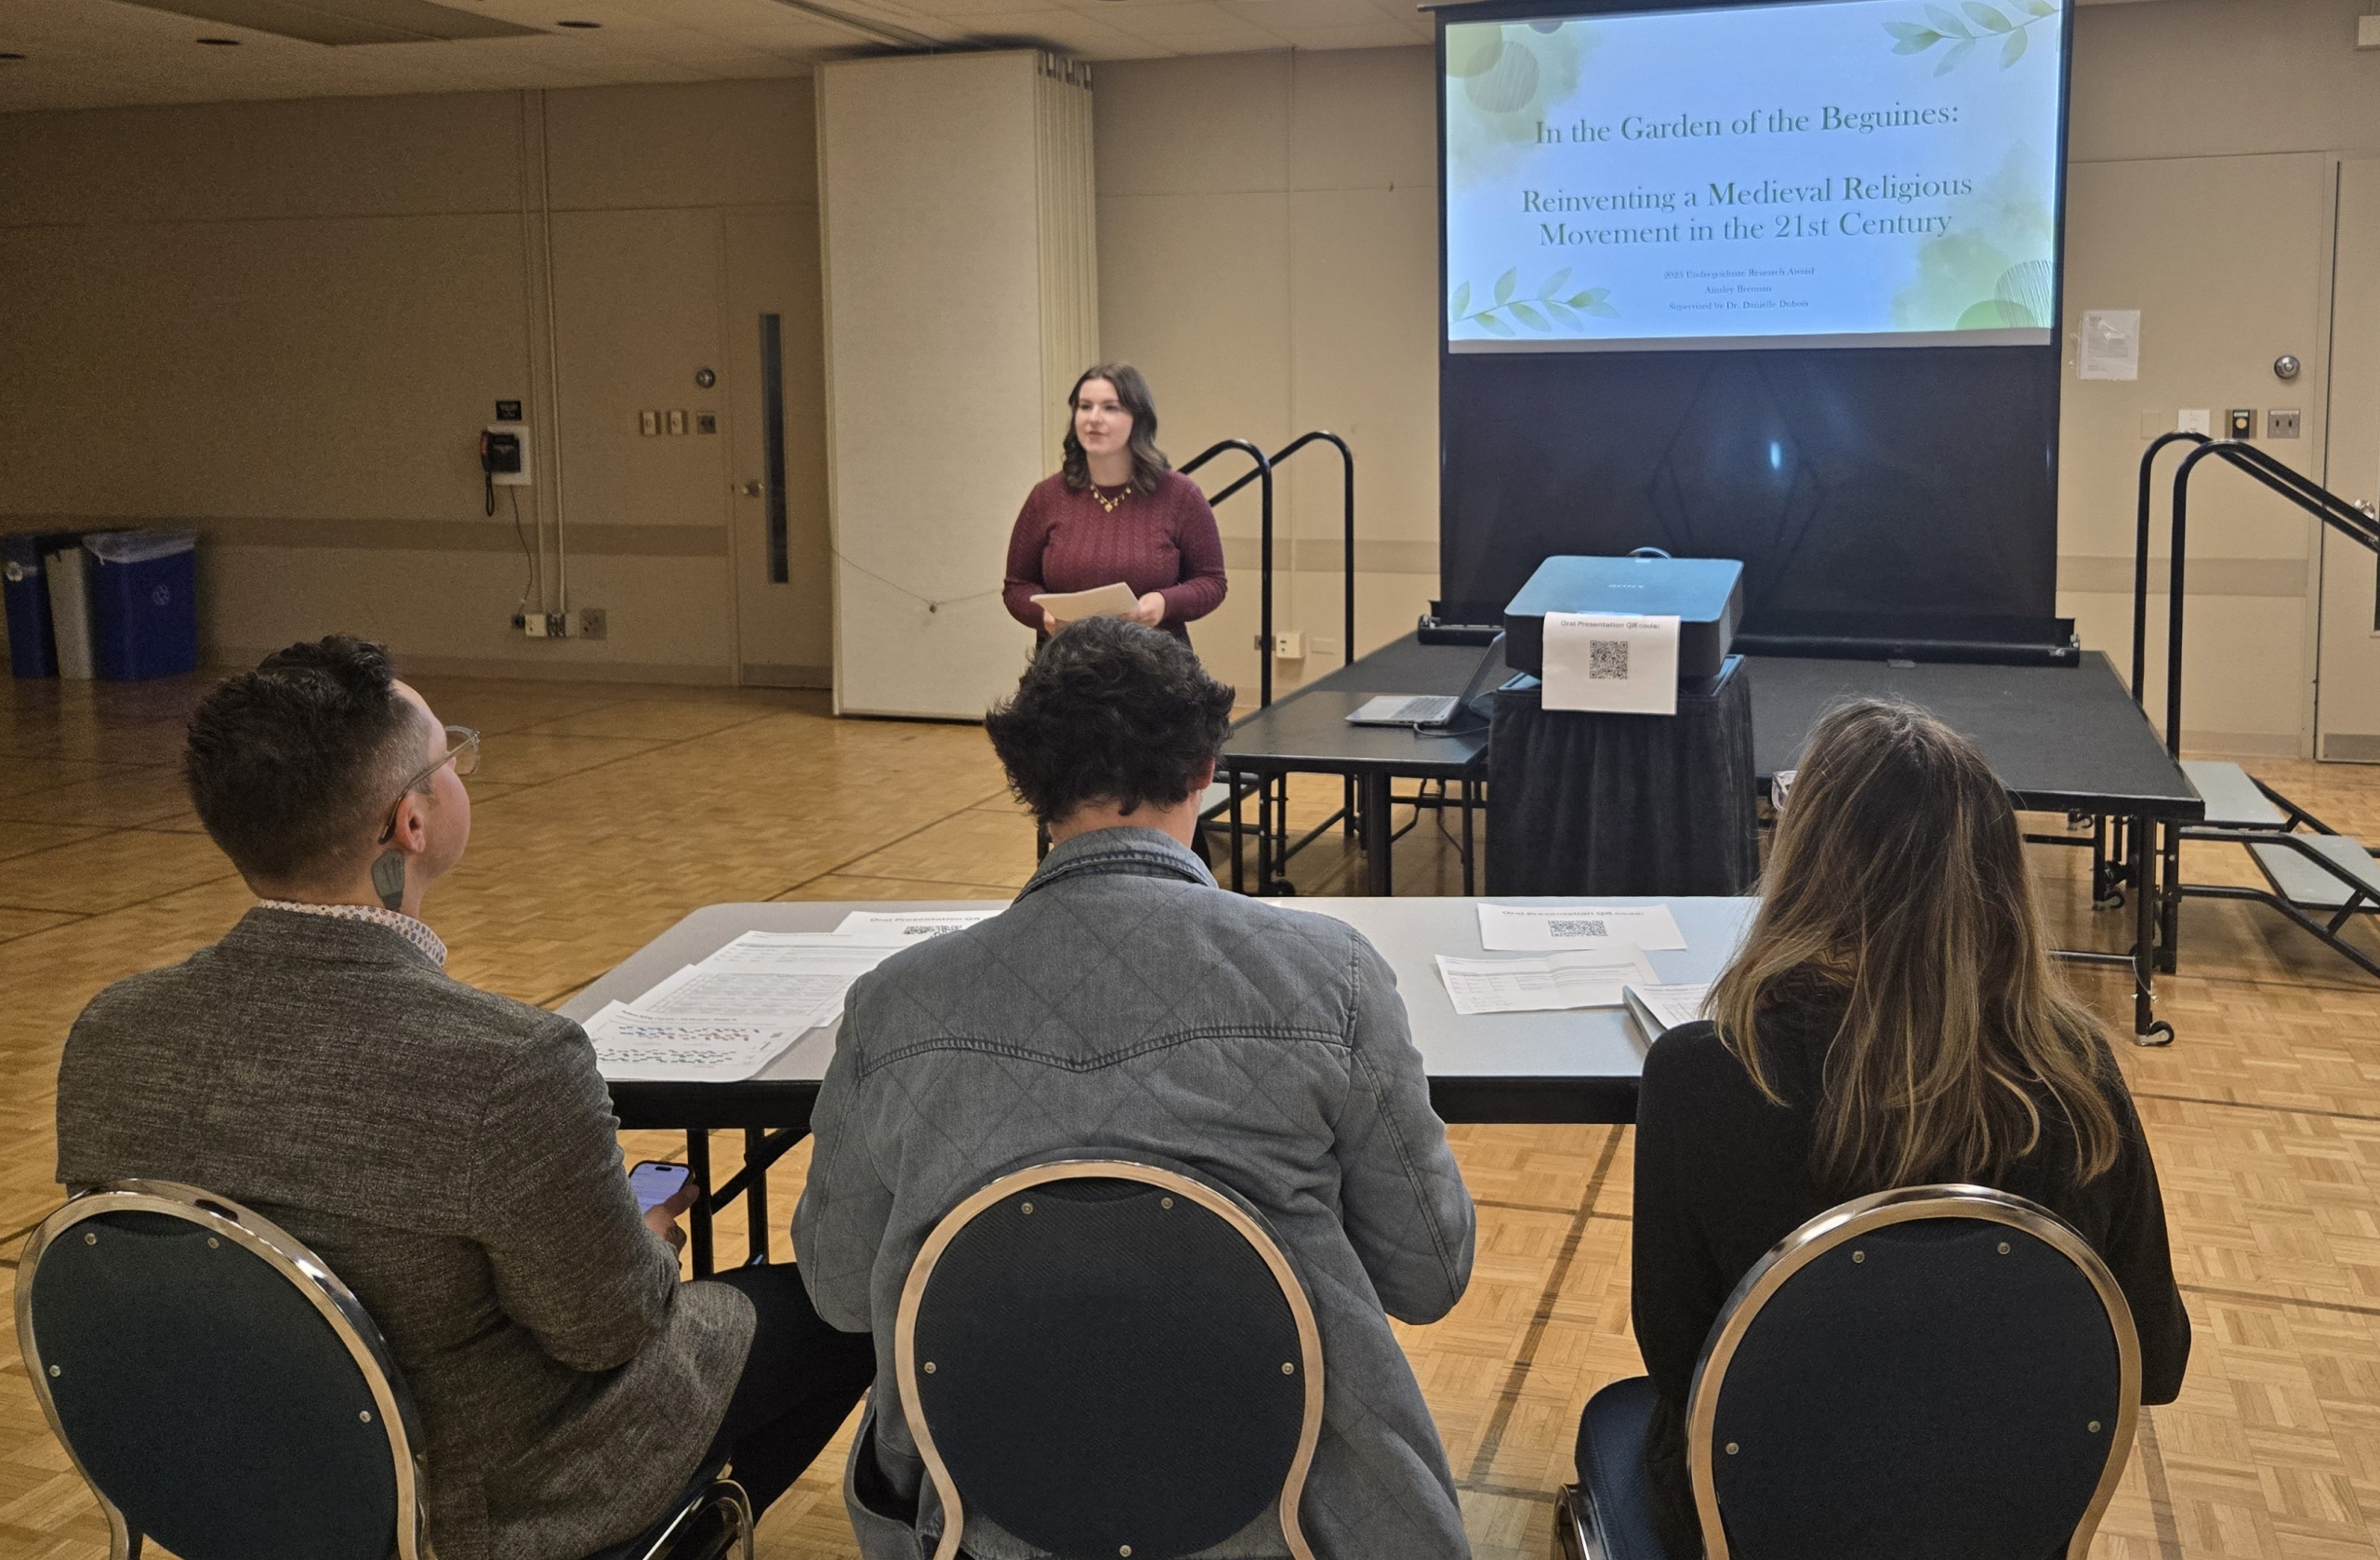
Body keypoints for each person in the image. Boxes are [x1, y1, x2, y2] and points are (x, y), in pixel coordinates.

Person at [52, 636, 874, 1560]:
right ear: (411, 822)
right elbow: (609, 1334)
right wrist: (645, 1239)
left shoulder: (111, 1033)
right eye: (452, 757)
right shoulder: (511, 1065)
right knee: (847, 1296)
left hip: (224, 1473)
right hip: (472, 1500)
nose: (459, 775)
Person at [796, 617, 1476, 1560]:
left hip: (988, 1519)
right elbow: (1427, 1276)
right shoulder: (1333, 978)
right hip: (1300, 1519)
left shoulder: (893, 1007)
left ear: (1028, 784)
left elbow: (835, 1292)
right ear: (1205, 768)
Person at [1618, 699, 2191, 1556]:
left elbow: (1680, 1357)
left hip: (1751, 1517)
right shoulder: (2078, 1079)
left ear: (1804, 864)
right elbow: (2157, 1354)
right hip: (2002, 1523)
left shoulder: (1703, 1074)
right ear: (1997, 879)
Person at [1002, 363, 1227, 645]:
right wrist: (1045, 616)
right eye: (1085, 407)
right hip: (1066, 667)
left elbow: (1212, 582)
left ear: (1138, 419)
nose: (1093, 419)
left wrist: (1163, 602)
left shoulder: (1180, 494)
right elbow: (1017, 587)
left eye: (1111, 408)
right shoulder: (1046, 496)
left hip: (1157, 666)